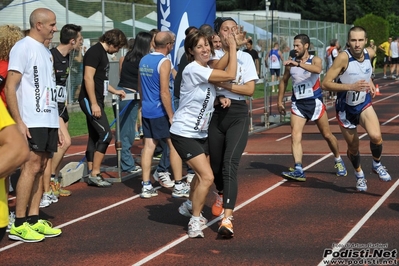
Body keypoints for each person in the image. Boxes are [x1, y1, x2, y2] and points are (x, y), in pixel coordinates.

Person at [172, 29, 237, 238]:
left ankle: (189, 205)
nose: (205, 49)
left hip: (199, 133)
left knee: (200, 177)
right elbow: (229, 74)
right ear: (191, 51)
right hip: (184, 132)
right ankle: (195, 220)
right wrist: (234, 47)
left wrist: (218, 99)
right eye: (199, 47)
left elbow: (203, 92)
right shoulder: (193, 69)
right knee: (207, 177)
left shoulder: (203, 68)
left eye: (206, 45)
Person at [5, 8, 63, 242]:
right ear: (38, 24)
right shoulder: (23, 47)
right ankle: (19, 223)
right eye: (51, 24)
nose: (55, 28)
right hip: (31, 118)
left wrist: (56, 121)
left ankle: (33, 218)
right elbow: (11, 86)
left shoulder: (45, 50)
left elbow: (48, 88)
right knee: (31, 166)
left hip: (47, 118)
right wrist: (19, 121)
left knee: (42, 167)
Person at [322, 26, 391, 192]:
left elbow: (366, 71)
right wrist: (351, 86)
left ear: (366, 41)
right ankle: (359, 174)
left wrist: (370, 82)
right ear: (348, 42)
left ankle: (376, 164)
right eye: (353, 40)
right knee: (354, 147)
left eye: (360, 40)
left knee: (376, 136)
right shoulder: (343, 58)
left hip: (363, 103)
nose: (357, 44)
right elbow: (325, 83)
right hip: (345, 109)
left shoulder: (370, 53)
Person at [207, 17, 257, 238]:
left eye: (233, 29)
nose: (230, 33)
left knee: (230, 164)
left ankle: (227, 219)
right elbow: (213, 74)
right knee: (216, 165)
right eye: (225, 30)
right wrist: (232, 49)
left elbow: (249, 90)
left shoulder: (246, 58)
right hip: (215, 115)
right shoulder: (211, 56)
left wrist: (226, 86)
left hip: (237, 114)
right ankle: (219, 192)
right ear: (218, 34)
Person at [277, 33, 347, 182]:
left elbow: (317, 70)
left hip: (314, 103)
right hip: (298, 104)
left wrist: (298, 64)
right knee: (295, 135)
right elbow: (283, 81)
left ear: (306, 46)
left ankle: (338, 159)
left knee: (327, 135)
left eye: (298, 46)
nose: (295, 48)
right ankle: (298, 169)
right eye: (294, 45)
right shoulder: (291, 64)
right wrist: (279, 101)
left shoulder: (315, 59)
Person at [138, 31, 188, 198]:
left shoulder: (144, 59)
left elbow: (140, 85)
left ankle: (145, 185)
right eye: (172, 42)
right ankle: (179, 185)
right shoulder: (164, 62)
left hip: (147, 108)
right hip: (160, 110)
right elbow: (165, 92)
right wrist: (171, 115)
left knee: (149, 146)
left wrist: (142, 106)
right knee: (173, 145)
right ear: (169, 45)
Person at [40, 24, 83, 208]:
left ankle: (54, 180)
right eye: (80, 40)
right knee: (65, 142)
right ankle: (48, 180)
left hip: (61, 107)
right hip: (51, 109)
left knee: (59, 146)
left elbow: (61, 87)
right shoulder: (52, 57)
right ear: (72, 41)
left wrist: (64, 107)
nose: (81, 43)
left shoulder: (68, 58)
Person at [78, 29, 127, 187]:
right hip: (89, 99)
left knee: (94, 136)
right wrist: (93, 103)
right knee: (106, 135)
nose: (117, 51)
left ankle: (92, 171)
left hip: (97, 98)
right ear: (112, 43)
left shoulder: (102, 54)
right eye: (118, 47)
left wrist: (115, 91)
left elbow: (102, 80)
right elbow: (88, 77)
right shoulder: (94, 52)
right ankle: (95, 173)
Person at [114, 32, 152, 174]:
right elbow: (140, 81)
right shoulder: (142, 60)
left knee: (124, 130)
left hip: (124, 93)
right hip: (128, 96)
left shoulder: (129, 56)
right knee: (127, 132)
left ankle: (125, 161)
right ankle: (127, 165)